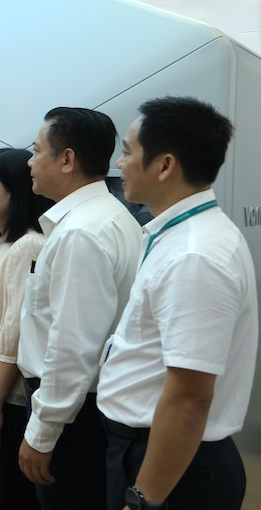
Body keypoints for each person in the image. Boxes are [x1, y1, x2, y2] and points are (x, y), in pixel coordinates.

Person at [98, 97, 257, 510]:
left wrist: (143, 499)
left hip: (170, 466)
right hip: (154, 451)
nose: (119, 163)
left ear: (165, 165)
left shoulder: (195, 254)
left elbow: (190, 398)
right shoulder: (178, 234)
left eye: (128, 151)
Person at [17, 107, 142, 509]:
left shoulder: (81, 233)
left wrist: (42, 433)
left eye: (36, 151)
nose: (29, 161)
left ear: (67, 159)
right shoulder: (105, 217)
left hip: (73, 413)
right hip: (81, 406)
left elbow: (73, 345)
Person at [0, 148, 51, 510]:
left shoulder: (28, 244)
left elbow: (13, 335)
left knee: (0, 495)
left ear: (15, 191)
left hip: (5, 395)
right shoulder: (3, 241)